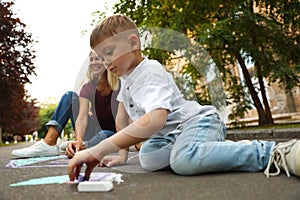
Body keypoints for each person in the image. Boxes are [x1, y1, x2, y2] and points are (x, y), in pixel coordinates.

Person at [67, 14, 300, 181]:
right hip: (171, 137)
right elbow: (121, 118)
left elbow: (156, 120)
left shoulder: (149, 72)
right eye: (99, 57)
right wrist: (121, 155)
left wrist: (98, 150)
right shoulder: (127, 80)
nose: (105, 62)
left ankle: (271, 152)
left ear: (133, 42)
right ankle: (209, 150)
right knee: (148, 158)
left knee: (184, 161)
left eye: (108, 53)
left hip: (198, 122)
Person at [11, 51, 120, 158]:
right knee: (70, 95)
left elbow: (126, 116)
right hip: (92, 131)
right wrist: (78, 141)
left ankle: (84, 146)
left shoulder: (119, 85)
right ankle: (49, 143)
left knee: (106, 133)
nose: (93, 62)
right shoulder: (88, 87)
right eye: (91, 59)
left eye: (98, 59)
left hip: (114, 134)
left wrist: (135, 140)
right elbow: (82, 117)